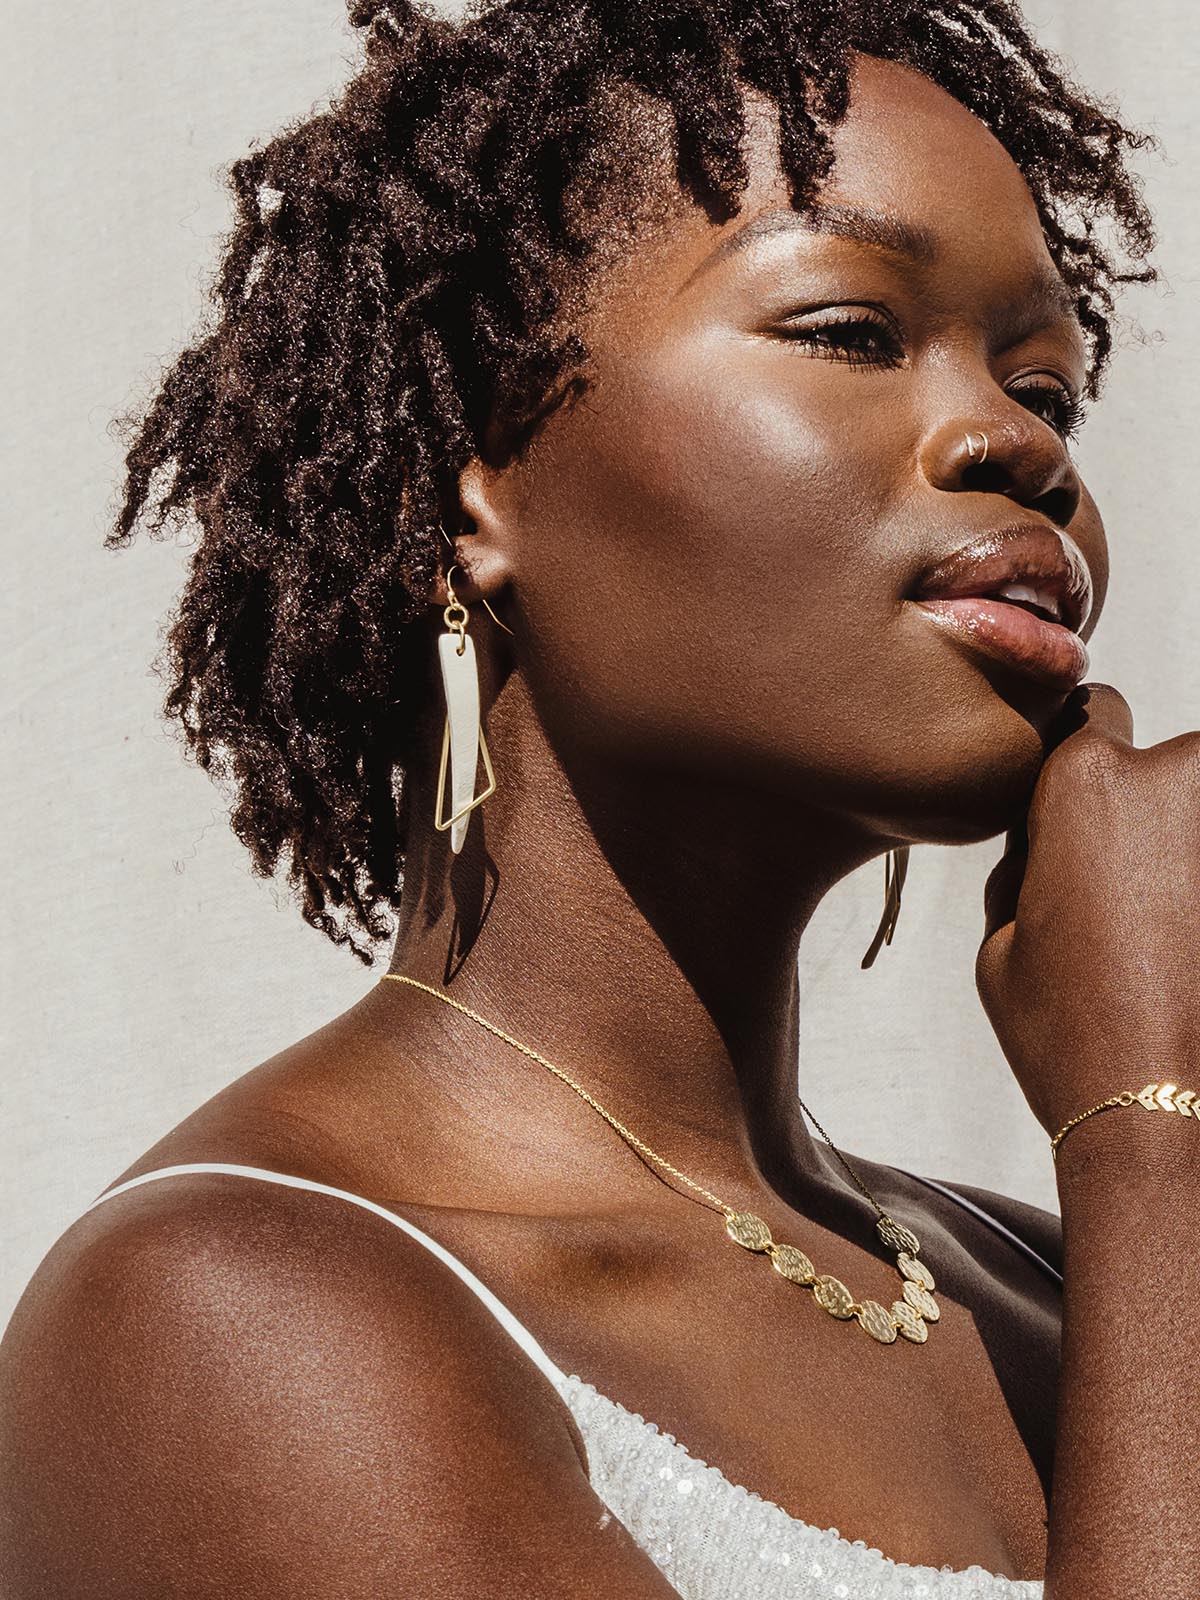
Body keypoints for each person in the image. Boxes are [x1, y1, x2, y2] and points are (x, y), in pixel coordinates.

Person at [2, 1, 1195, 1595]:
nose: (1017, 444)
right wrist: (1146, 1125)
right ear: (470, 478)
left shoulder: (1055, 1276)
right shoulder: (232, 1313)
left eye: (1048, 385)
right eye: (850, 331)